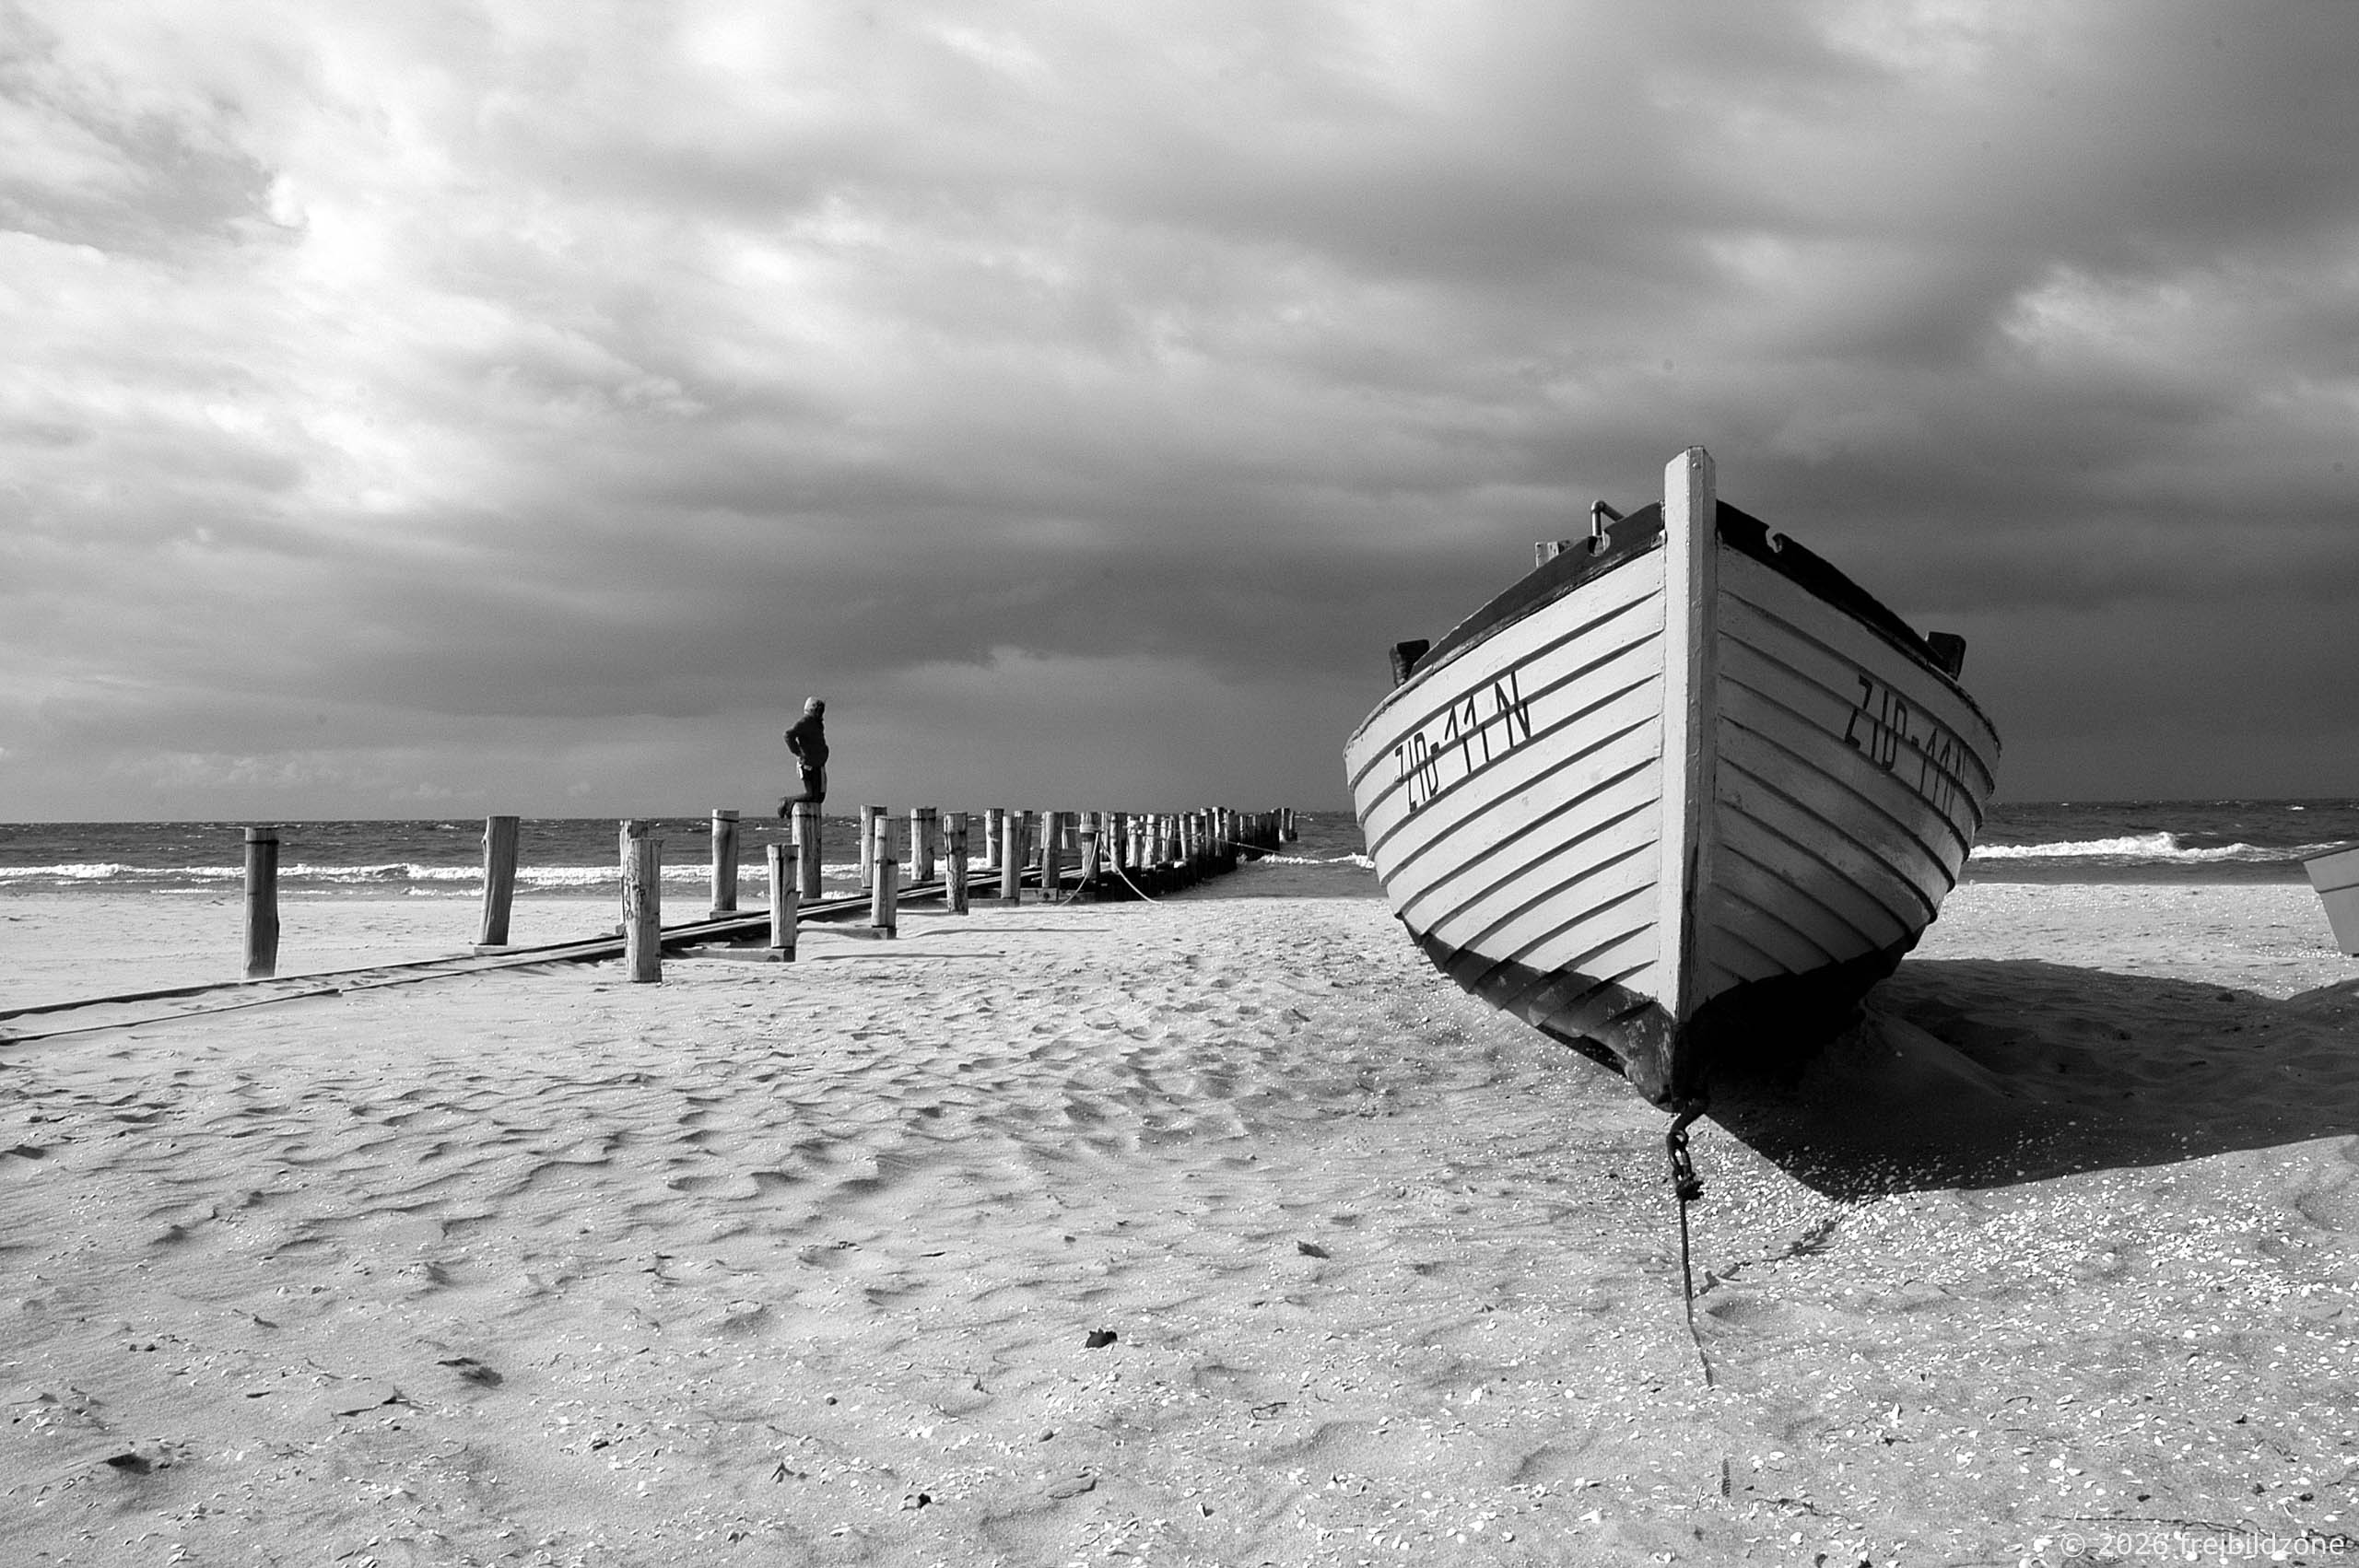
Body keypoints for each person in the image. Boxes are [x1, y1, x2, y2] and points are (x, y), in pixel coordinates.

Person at [780, 697, 828, 816]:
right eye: (818, 710)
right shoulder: (805, 721)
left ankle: (792, 809)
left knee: (819, 797)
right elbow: (788, 735)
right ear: (811, 710)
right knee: (811, 795)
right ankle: (787, 802)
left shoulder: (818, 724)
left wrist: (825, 752)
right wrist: (798, 752)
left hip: (819, 765)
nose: (820, 713)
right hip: (808, 765)